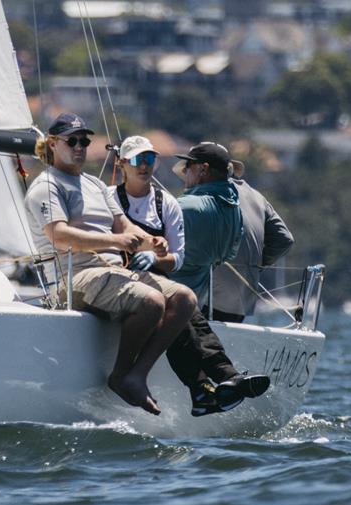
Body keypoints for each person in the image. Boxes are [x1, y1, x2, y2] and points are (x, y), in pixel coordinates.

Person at [24, 114, 197, 416]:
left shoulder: (95, 184)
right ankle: (120, 375)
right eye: (72, 141)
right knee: (152, 302)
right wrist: (114, 243)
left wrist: (152, 243)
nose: (80, 146)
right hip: (74, 276)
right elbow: (60, 236)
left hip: (113, 273)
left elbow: (124, 226)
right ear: (53, 144)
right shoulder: (46, 186)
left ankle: (136, 374)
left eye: (85, 141)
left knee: (185, 299)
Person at [114, 136, 270, 416]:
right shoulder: (235, 211)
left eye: (150, 159)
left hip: (164, 286)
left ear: (202, 169)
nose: (145, 166)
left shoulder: (177, 205)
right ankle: (219, 379)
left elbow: (175, 255)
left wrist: (155, 255)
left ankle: (207, 385)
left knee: (179, 307)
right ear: (122, 164)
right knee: (181, 306)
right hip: (145, 284)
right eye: (139, 160)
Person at [211, 172, 294, 322]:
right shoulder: (258, 197)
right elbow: (285, 239)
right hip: (241, 303)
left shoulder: (206, 193)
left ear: (203, 169)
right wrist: (258, 264)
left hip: (207, 300)